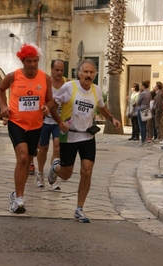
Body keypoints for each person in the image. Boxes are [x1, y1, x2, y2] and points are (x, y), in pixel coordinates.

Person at [47, 59, 121, 223]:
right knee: (66, 174)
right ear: (78, 73)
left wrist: (112, 119)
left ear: (95, 74)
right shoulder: (69, 87)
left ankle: (79, 209)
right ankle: (55, 167)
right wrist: (60, 122)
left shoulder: (96, 90)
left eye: (91, 72)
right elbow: (53, 104)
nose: (88, 75)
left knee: (87, 171)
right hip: (69, 135)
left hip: (87, 136)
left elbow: (102, 108)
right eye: (85, 72)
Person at [0, 43, 55, 214]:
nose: (32, 64)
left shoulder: (45, 78)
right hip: (17, 123)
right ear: (23, 61)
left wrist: (47, 107)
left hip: (36, 125)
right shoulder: (13, 76)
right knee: (22, 158)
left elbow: (50, 100)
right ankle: (19, 200)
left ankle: (15, 193)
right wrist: (3, 106)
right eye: (29, 61)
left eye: (35, 61)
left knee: (28, 161)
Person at [35, 59, 69, 189]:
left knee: (57, 147)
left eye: (61, 70)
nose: (59, 72)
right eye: (57, 70)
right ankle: (40, 173)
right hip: (45, 121)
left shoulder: (67, 83)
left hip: (58, 121)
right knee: (43, 148)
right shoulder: (45, 81)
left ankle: (53, 175)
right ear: (52, 70)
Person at [136, 80, 151, 146]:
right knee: (144, 125)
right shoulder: (149, 93)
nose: (141, 87)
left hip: (141, 109)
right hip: (146, 109)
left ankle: (143, 140)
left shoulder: (143, 93)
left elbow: (138, 102)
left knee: (141, 125)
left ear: (143, 86)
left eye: (141, 86)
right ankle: (145, 138)